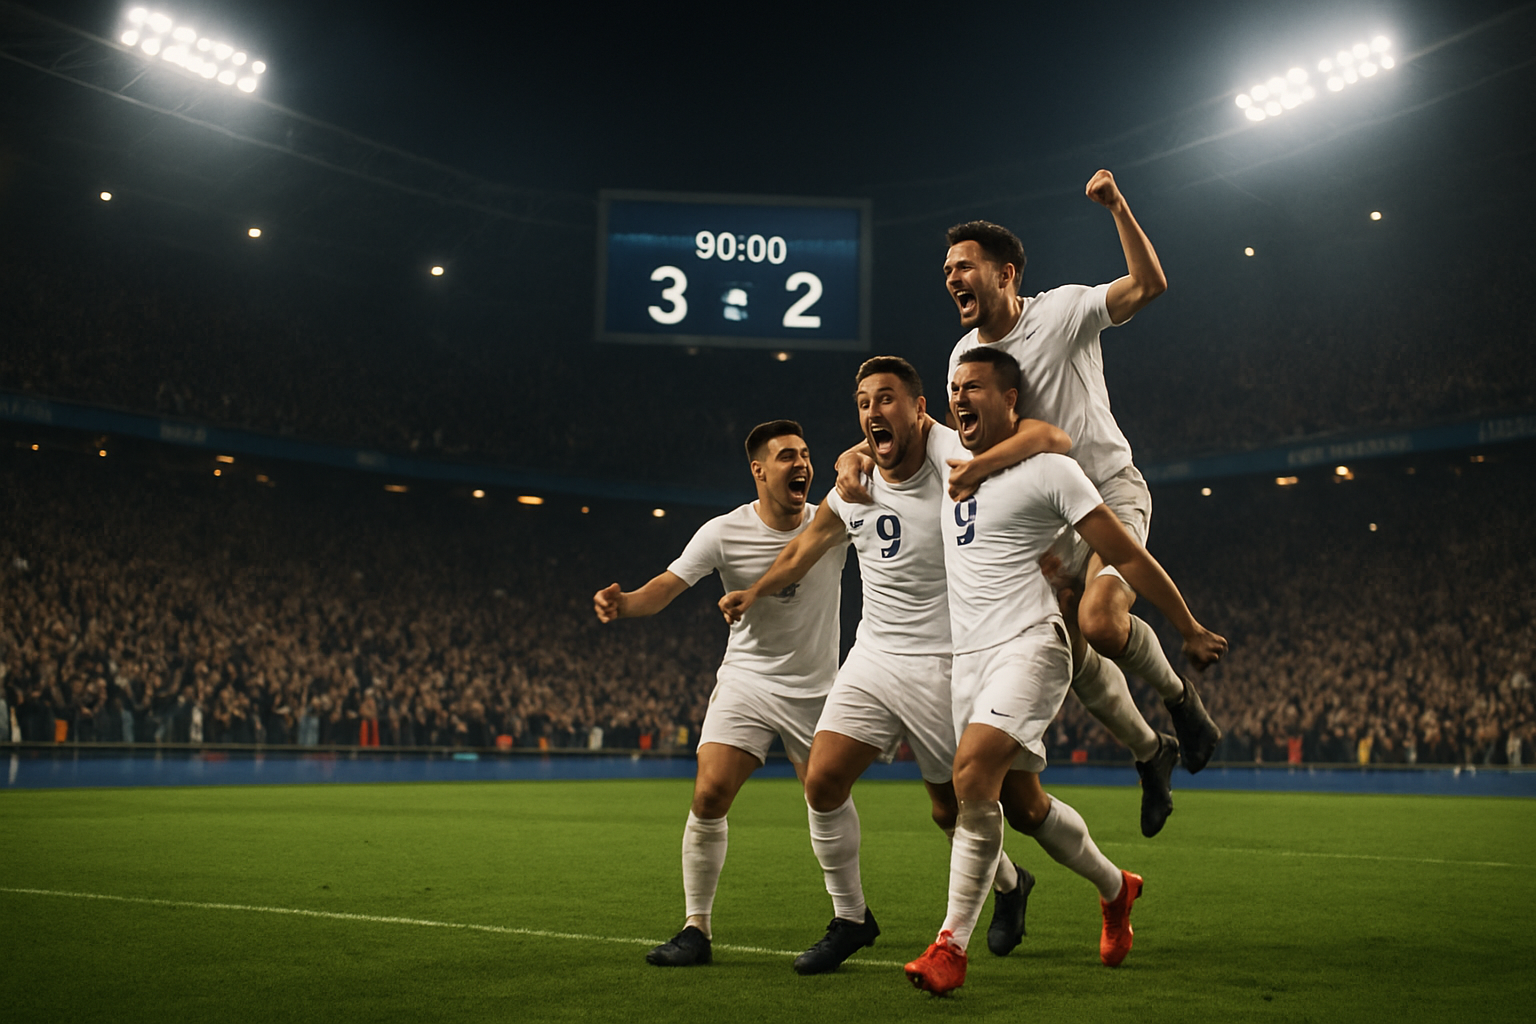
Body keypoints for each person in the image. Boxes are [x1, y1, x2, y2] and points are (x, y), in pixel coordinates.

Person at [839, 168, 1218, 838]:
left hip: (1105, 490)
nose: (952, 277)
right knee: (1072, 659)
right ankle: (1150, 752)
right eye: (947, 269)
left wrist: (1118, 207)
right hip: (1042, 521)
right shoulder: (965, 353)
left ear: (1005, 273)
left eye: (964, 266)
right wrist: (861, 451)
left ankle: (1181, 701)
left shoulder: (1061, 311)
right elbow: (932, 433)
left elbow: (1149, 285)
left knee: (1101, 622)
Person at [720, 357, 1068, 974]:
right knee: (822, 780)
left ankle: (1013, 887)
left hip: (944, 659)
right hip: (874, 655)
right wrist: (756, 590)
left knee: (949, 811)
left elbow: (1045, 438)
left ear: (919, 407)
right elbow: (805, 546)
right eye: (862, 402)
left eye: (886, 399)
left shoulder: (951, 453)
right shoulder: (855, 480)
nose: (872, 411)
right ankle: (851, 917)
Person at [904, 349, 1225, 995]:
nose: (960, 398)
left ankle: (950, 948)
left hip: (1032, 644)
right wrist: (854, 458)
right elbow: (895, 430)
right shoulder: (948, 461)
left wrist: (1187, 625)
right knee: (1023, 809)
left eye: (975, 388)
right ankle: (1116, 887)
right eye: (954, 388)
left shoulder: (1051, 470)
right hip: (968, 659)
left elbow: (1125, 554)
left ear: (1011, 398)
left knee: (971, 775)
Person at [593, 419, 847, 967]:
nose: (801, 464)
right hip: (748, 679)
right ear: (759, 471)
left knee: (824, 798)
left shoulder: (835, 519)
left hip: (818, 687)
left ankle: (853, 915)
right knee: (708, 795)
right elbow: (669, 585)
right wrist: (626, 603)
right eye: (786, 457)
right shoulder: (722, 532)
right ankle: (696, 930)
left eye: (805, 455)